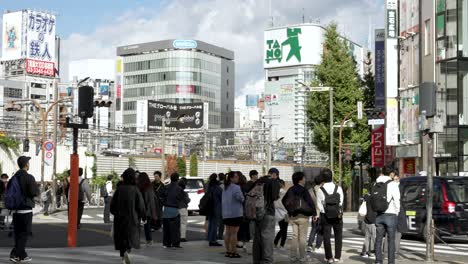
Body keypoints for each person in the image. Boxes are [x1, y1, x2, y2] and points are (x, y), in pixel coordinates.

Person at [110, 168, 146, 264]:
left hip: (120, 218)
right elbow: (141, 205)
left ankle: (123, 255)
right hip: (132, 218)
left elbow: (112, 205)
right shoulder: (135, 190)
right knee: (130, 236)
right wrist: (144, 216)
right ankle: (128, 250)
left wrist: (116, 213)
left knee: (121, 237)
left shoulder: (119, 189)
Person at [8, 156, 39, 263]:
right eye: (28, 163)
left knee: (18, 234)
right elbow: (34, 192)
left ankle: (21, 255)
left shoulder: (13, 178)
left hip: (15, 211)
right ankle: (15, 254)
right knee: (24, 234)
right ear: (26, 164)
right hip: (26, 210)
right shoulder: (29, 177)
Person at [283, 171, 316, 262]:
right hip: (303, 216)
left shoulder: (291, 189)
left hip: (293, 216)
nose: (305, 180)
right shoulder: (304, 190)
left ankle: (293, 257)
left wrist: (289, 210)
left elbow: (283, 200)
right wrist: (314, 213)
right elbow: (310, 202)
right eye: (304, 178)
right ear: (300, 179)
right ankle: (302, 257)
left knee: (294, 237)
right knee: (302, 238)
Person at [252, 168, 280, 264]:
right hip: (268, 212)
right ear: (274, 174)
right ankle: (267, 260)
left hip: (256, 212)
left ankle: (256, 260)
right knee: (267, 238)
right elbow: (275, 197)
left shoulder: (258, 181)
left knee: (257, 237)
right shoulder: (274, 182)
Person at [316, 168, 344, 264]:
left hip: (326, 215)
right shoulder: (338, 188)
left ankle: (329, 258)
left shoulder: (320, 190)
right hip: (337, 215)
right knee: (338, 235)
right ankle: (337, 257)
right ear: (332, 177)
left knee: (326, 236)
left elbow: (319, 204)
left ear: (323, 178)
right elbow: (341, 202)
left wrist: (325, 210)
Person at [373, 168, 400, 264]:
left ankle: (378, 261)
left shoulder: (376, 183)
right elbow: (397, 199)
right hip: (390, 214)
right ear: (391, 174)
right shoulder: (393, 184)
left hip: (379, 214)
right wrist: (397, 211)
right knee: (391, 240)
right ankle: (391, 261)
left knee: (378, 239)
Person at [222, 171, 245, 258]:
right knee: (234, 233)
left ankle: (228, 251)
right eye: (235, 177)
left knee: (227, 232)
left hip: (226, 213)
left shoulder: (225, 187)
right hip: (235, 213)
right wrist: (243, 197)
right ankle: (234, 252)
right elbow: (240, 198)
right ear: (231, 178)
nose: (237, 178)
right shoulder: (236, 187)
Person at [162, 172, 184, 249]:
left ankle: (166, 243)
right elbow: (182, 198)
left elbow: (162, 197)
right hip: (174, 209)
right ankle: (175, 243)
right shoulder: (179, 189)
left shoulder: (166, 187)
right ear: (177, 179)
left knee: (166, 228)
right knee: (175, 229)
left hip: (166, 210)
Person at [137, 172, 157, 246]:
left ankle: (136, 240)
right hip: (146, 210)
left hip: (138, 209)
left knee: (137, 225)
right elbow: (152, 201)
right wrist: (154, 214)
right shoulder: (149, 187)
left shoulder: (137, 187)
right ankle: (149, 240)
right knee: (147, 226)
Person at [307, 175, 324, 253]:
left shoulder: (310, 190)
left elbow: (310, 202)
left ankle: (309, 246)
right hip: (321, 212)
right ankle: (317, 246)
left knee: (313, 229)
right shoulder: (322, 190)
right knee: (320, 230)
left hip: (314, 212)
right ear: (322, 182)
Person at [207, 173, 223, 247]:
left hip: (209, 208)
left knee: (211, 224)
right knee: (215, 225)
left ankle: (210, 239)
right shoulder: (218, 188)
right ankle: (213, 240)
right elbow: (222, 198)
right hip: (216, 208)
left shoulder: (209, 187)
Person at [359, 193, 376, 258]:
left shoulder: (367, 196)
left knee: (367, 237)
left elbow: (365, 197)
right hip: (374, 219)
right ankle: (371, 252)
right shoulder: (375, 197)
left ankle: (364, 252)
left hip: (367, 219)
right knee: (373, 237)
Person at [237, 172, 250, 249]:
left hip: (239, 210)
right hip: (245, 210)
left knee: (239, 227)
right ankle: (244, 242)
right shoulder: (246, 187)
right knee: (245, 226)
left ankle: (239, 241)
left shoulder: (237, 187)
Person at [274, 179, 288, 249]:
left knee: (282, 229)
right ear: (283, 185)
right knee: (284, 229)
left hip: (278, 213)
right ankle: (281, 244)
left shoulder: (275, 193)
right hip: (285, 213)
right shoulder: (285, 193)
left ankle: (275, 242)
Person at [246, 170, 259, 239]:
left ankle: (254, 235)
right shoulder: (249, 183)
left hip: (257, 204)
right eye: (256, 175)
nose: (257, 176)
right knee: (252, 220)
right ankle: (251, 236)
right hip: (251, 204)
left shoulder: (258, 183)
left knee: (255, 220)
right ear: (252, 176)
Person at [178, 177, 191, 242]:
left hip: (176, 209)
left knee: (177, 224)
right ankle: (182, 237)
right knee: (183, 223)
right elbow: (187, 200)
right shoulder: (184, 193)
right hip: (183, 209)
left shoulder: (176, 192)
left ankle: (176, 236)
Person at [217, 172, 226, 240]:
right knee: (222, 222)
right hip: (224, 205)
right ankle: (220, 235)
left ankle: (218, 235)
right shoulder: (225, 185)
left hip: (218, 205)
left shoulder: (218, 185)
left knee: (219, 221)